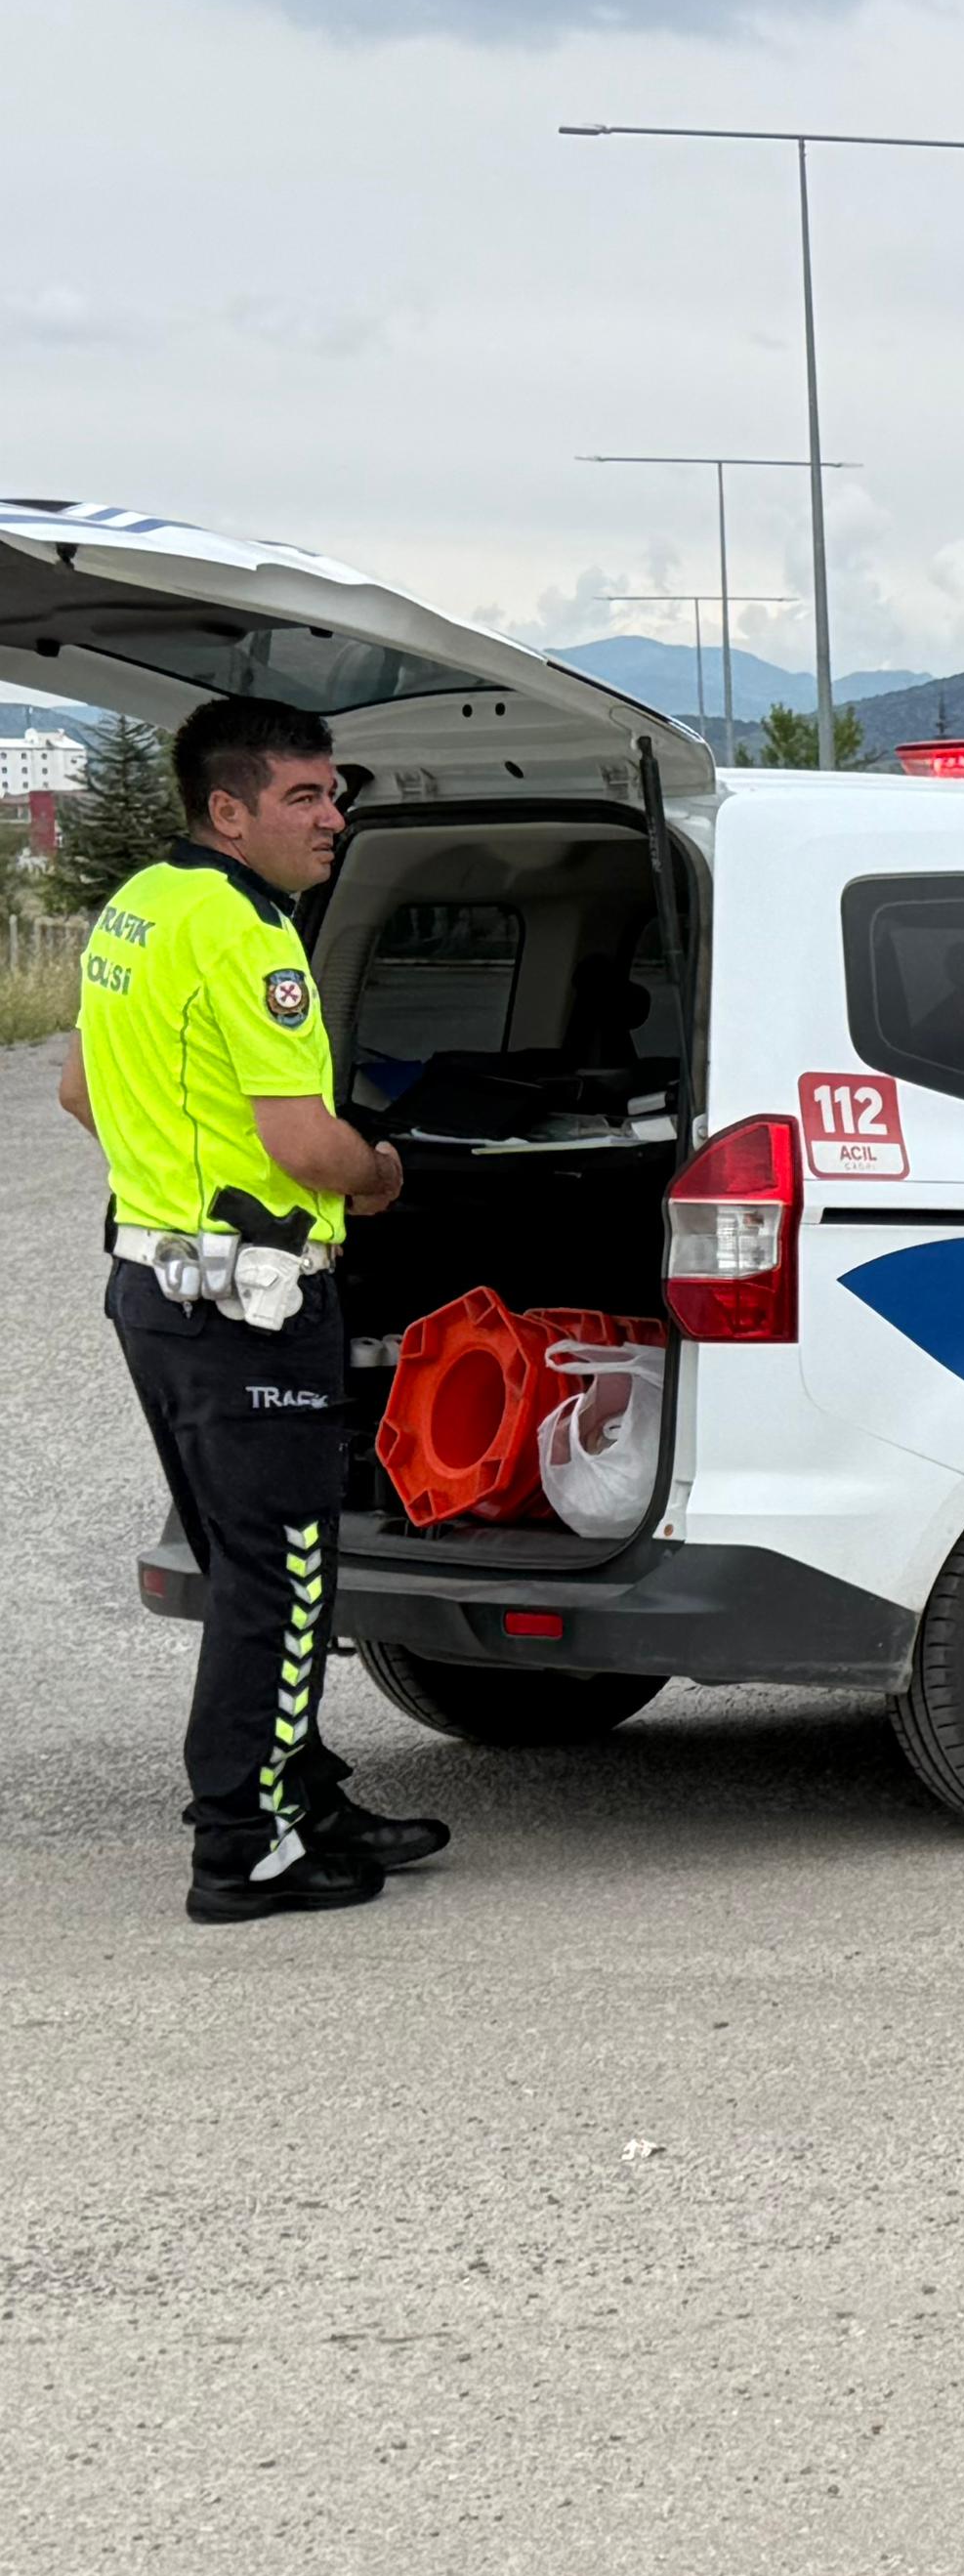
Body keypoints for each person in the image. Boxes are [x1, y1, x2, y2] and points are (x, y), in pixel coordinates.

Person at [59, 697, 451, 1918]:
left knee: (248, 1567)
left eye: (334, 795)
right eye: (304, 798)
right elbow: (308, 1146)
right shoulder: (248, 933)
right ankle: (245, 1845)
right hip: (254, 1303)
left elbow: (81, 1091)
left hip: (158, 1286)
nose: (332, 819)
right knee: (280, 1579)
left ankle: (300, 1793)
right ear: (227, 810)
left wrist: (178, 1178)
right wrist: (385, 1171)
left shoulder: (141, 906)